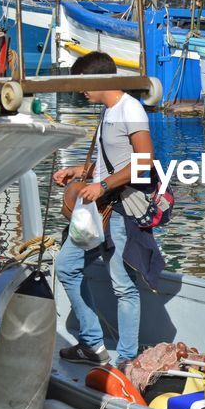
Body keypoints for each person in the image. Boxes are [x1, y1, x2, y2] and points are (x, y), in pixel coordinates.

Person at [53, 52, 163, 368]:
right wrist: (81, 170)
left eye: (83, 84)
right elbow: (112, 161)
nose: (79, 91)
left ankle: (126, 358)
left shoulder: (131, 110)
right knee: (67, 266)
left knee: (122, 284)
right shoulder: (109, 110)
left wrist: (102, 186)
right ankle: (93, 344)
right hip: (100, 209)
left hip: (120, 208)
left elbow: (143, 162)